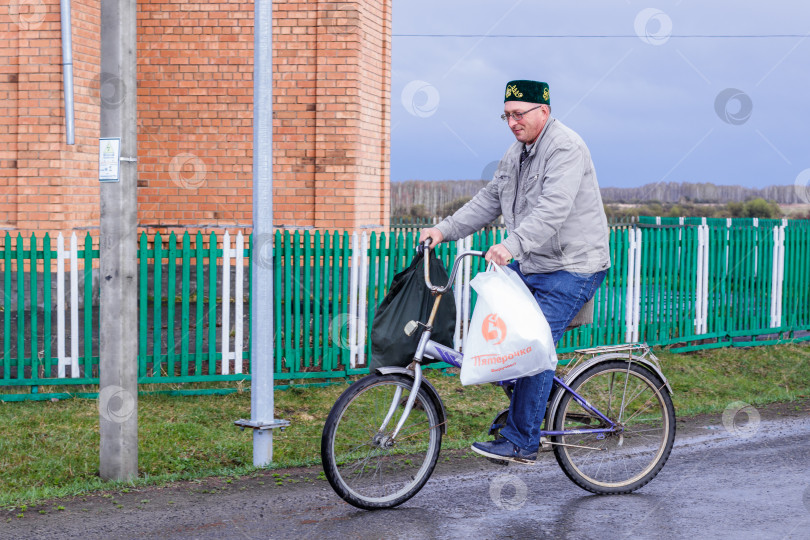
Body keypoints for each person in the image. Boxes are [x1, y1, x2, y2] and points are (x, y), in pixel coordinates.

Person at [419, 80, 611, 464]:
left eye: (518, 114)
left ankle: (523, 439)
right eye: (506, 115)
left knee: (535, 345)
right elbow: (489, 200)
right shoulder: (516, 153)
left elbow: (553, 208)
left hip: (574, 266)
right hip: (535, 263)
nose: (511, 122)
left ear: (544, 111)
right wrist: (444, 229)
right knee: (502, 337)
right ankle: (537, 402)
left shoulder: (565, 147)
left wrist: (511, 245)